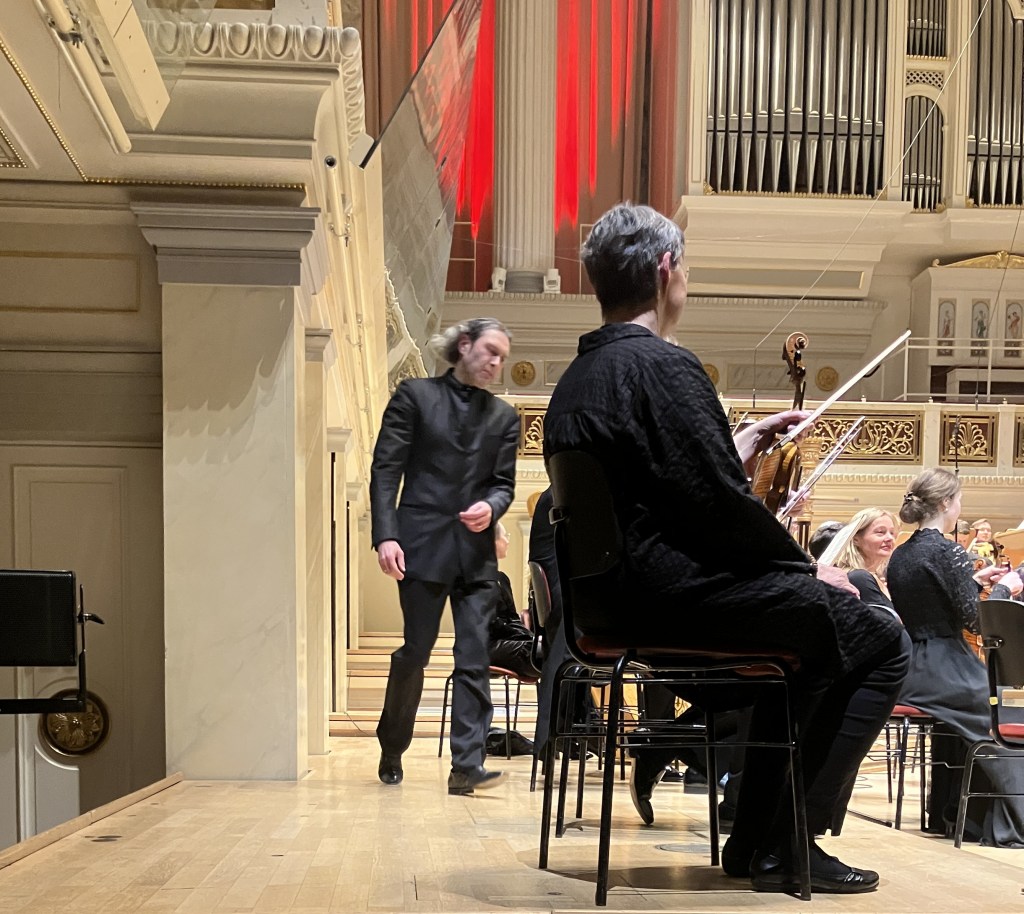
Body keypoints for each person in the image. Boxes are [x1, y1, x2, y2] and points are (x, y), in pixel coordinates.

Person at [543, 202, 911, 894]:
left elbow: (666, 489)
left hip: (612, 602)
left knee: (811, 639)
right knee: (877, 635)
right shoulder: (667, 368)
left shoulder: (574, 383)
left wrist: (733, 447)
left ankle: (759, 841)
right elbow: (718, 510)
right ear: (665, 270)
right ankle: (786, 840)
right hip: (674, 597)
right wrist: (807, 568)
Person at [370, 317, 518, 796]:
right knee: (416, 650)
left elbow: (504, 485)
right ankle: (393, 745)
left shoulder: (505, 417)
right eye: (490, 350)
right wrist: (386, 535)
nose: (496, 362)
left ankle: (467, 765)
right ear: (465, 345)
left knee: (474, 655)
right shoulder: (415, 396)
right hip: (420, 544)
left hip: (476, 556)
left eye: (503, 357)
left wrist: (492, 507)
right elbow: (386, 470)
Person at [887, 468, 1024, 846]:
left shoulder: (901, 553)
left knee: (974, 715)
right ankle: (1003, 822)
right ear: (946, 503)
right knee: (1009, 709)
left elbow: (932, 599)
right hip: (947, 665)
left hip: (911, 667)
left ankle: (952, 815)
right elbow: (975, 622)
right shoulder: (949, 551)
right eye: (959, 500)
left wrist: (972, 583)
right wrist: (1003, 589)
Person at [818, 508, 899, 615]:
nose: (890, 538)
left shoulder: (877, 576)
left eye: (892, 533)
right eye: (880, 532)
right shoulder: (859, 577)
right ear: (856, 538)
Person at [489, 522, 541, 680]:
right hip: (485, 646)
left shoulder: (502, 578)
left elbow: (512, 618)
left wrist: (528, 637)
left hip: (505, 641)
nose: (507, 541)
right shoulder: (473, 578)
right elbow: (489, 624)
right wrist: (524, 638)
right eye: (504, 536)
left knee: (543, 648)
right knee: (537, 651)